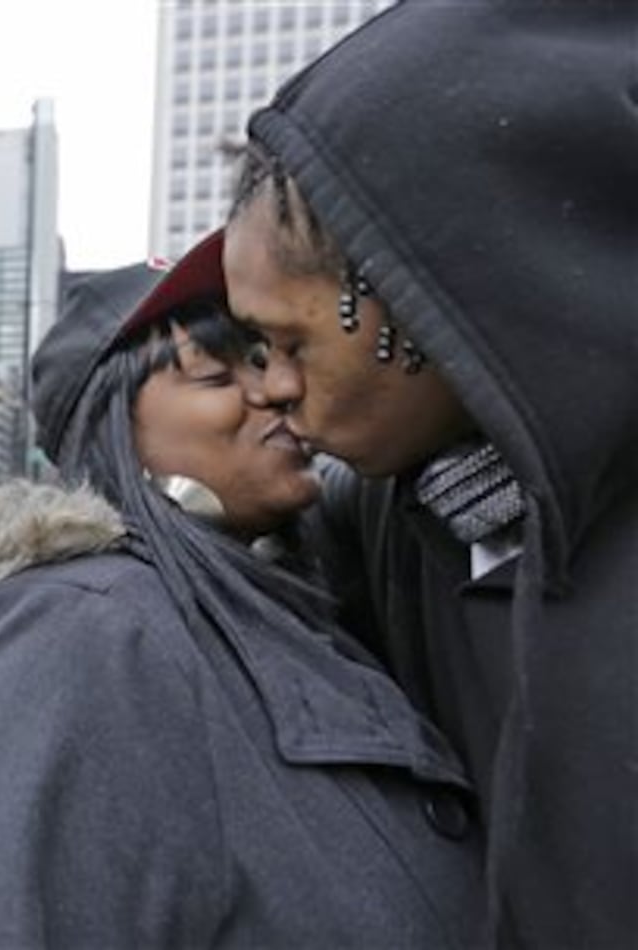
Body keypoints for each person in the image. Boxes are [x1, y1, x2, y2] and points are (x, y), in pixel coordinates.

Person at [0, 254, 482, 945]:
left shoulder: (301, 576)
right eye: (220, 374)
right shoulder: (72, 633)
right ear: (111, 434)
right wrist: (47, 617)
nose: (278, 388)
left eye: (268, 356)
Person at [217, 3, 637, 942]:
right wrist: (39, 597)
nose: (271, 388)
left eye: (291, 341)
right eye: (249, 346)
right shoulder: (402, 513)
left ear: (424, 296)